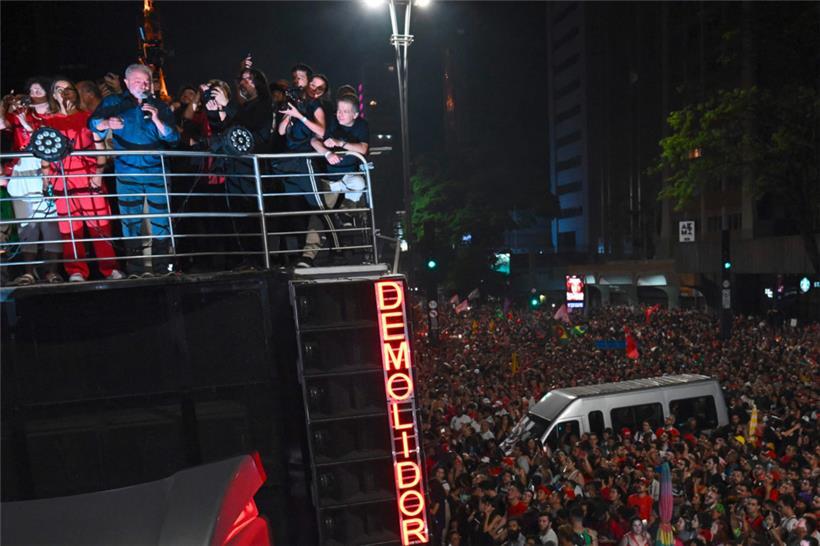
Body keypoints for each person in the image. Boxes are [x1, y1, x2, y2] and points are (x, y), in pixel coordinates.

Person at [89, 63, 179, 277]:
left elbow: (173, 138)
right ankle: (136, 270)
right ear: (127, 82)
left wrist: (157, 120)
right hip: (127, 170)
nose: (143, 85)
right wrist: (105, 123)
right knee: (131, 220)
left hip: (156, 170)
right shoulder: (114, 102)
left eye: (146, 81)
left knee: (161, 220)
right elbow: (92, 123)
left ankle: (161, 268)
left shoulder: (159, 105)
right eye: (138, 81)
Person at [45, 78, 122, 281]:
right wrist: (47, 180)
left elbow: (100, 149)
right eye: (58, 89)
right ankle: (76, 270)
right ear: (53, 94)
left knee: (100, 223)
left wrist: (98, 175)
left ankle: (109, 268)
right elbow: (43, 154)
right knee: (70, 228)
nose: (63, 93)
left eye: (68, 89)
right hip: (62, 179)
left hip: (89, 177)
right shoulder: (48, 121)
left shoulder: (89, 117)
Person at [205, 64, 272, 269]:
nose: (243, 82)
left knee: (252, 215)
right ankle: (247, 259)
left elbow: (250, 131)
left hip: (251, 168)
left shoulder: (263, 104)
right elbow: (228, 131)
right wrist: (215, 114)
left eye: (249, 79)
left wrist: (227, 105)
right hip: (234, 166)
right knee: (238, 215)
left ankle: (259, 260)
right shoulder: (242, 107)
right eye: (241, 79)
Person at [0, 79, 63, 284]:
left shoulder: (53, 115)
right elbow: (2, 125)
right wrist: (5, 104)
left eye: (39, 89)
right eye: (31, 90)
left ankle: (52, 271)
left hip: (46, 170)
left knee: (50, 223)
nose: (33, 93)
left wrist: (26, 121)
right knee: (26, 224)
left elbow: (44, 138)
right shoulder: (19, 113)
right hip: (22, 170)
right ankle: (29, 271)